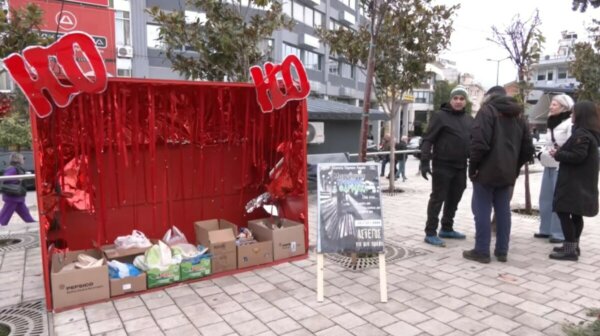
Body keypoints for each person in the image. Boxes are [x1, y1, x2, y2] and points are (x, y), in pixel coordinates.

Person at [463, 86, 534, 263]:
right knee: (503, 211)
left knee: (482, 210)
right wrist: (514, 167)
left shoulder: (487, 111)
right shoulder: (519, 116)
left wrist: (473, 168)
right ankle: (502, 250)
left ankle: (481, 250)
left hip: (485, 170)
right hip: (507, 172)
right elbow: (528, 149)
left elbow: (479, 143)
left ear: (488, 97)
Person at [420, 86, 473, 247]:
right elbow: (428, 139)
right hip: (442, 164)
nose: (458, 101)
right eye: (455, 98)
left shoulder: (469, 119)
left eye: (461, 99)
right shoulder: (440, 116)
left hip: (461, 165)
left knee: (454, 197)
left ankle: (447, 227)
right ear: (451, 100)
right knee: (438, 198)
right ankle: (430, 232)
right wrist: (424, 161)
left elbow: (472, 142)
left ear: (465, 101)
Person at [549, 101, 600, 261]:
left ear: (581, 115)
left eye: (573, 113)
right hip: (581, 182)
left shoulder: (582, 134)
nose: (571, 115)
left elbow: (578, 156)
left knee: (564, 212)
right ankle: (572, 245)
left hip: (574, 183)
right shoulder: (588, 133)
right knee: (576, 214)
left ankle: (570, 249)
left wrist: (558, 154)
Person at [534, 94, 574, 244]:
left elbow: (571, 144)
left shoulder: (569, 123)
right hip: (548, 164)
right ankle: (545, 229)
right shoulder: (552, 121)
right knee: (545, 199)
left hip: (560, 166)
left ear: (564, 107)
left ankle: (558, 233)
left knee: (558, 201)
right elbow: (547, 142)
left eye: (555, 104)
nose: (551, 107)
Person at [0, 153, 36, 226]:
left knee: (26, 214)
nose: (24, 160)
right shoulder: (13, 168)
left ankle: (32, 224)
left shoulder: (16, 168)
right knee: (3, 218)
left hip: (17, 197)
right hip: (12, 197)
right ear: (18, 159)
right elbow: (5, 179)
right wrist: (19, 179)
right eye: (23, 158)